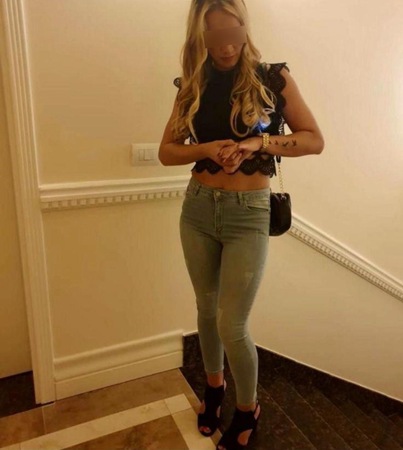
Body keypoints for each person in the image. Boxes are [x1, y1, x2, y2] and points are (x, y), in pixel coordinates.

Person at [159, 1, 324, 448]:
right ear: (200, 36)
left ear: (244, 28)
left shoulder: (273, 78)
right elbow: (167, 151)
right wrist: (207, 149)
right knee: (205, 309)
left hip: (248, 211)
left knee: (233, 324)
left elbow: (314, 140)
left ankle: (248, 408)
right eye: (215, 35)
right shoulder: (192, 82)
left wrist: (257, 142)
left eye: (234, 32)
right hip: (198, 209)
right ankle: (214, 389)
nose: (227, 45)